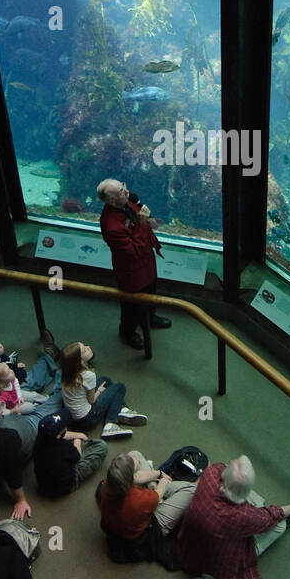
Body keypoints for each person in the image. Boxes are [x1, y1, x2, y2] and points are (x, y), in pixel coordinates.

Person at [176, 455, 290, 579]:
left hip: (186, 550)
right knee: (280, 525)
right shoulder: (243, 515)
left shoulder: (209, 474)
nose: (231, 460)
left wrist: (233, 471)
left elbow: (220, 465)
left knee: (257, 507)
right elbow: (272, 515)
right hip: (214, 569)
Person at [98, 179, 171, 349]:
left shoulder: (127, 201)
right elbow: (132, 252)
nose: (127, 191)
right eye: (121, 192)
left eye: (124, 186)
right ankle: (127, 332)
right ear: (111, 201)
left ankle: (150, 317)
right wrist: (142, 224)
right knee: (131, 303)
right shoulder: (111, 226)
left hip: (147, 261)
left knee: (151, 289)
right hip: (131, 270)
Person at [96, 449, 196, 570]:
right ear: (131, 479)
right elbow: (158, 494)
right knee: (191, 489)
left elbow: (134, 477)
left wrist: (159, 473)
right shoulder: (139, 500)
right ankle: (155, 491)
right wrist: (163, 481)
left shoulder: (106, 485)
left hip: (129, 517)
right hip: (147, 532)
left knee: (135, 454)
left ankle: (152, 485)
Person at [58, 341, 145, 439]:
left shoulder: (67, 372)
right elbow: (91, 401)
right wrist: (99, 391)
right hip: (87, 418)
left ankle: (120, 409)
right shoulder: (88, 376)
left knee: (105, 380)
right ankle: (110, 424)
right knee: (120, 387)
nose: (88, 347)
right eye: (84, 350)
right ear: (80, 361)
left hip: (72, 419)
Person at [33, 412, 107, 498]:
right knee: (101, 445)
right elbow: (77, 456)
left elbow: (61, 436)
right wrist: (77, 442)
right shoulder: (63, 447)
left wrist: (79, 435)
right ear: (58, 435)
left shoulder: (39, 442)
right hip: (67, 485)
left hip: (43, 486)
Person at [0, 334, 59, 398]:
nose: (1, 346)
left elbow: (7, 364)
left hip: (9, 380)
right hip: (6, 391)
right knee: (32, 381)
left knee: (33, 380)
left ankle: (49, 359)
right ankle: (49, 355)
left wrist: (15, 366)